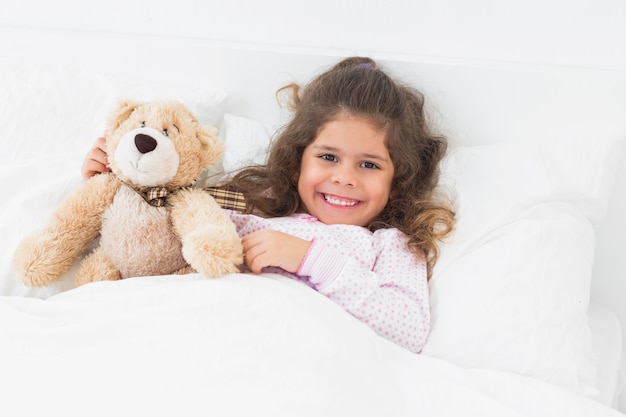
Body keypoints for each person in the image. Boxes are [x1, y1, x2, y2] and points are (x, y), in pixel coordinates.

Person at [81, 56, 455, 353]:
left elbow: (408, 331)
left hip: (300, 357)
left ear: (398, 176)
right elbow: (150, 251)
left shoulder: (389, 244)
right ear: (297, 159)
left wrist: (311, 259)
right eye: (328, 157)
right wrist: (112, 185)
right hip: (205, 338)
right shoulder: (251, 208)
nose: (345, 177)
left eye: (369, 164)